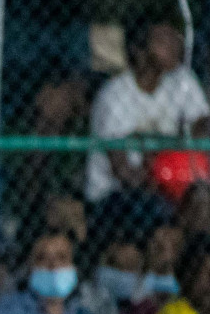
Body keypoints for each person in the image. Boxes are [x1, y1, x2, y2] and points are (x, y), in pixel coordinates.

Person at [87, 19, 210, 206]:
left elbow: (202, 125)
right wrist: (162, 164)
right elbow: (123, 173)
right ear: (139, 51)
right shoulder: (115, 95)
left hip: (169, 182)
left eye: (174, 37)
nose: (175, 44)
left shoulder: (182, 80)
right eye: (163, 39)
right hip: (116, 195)